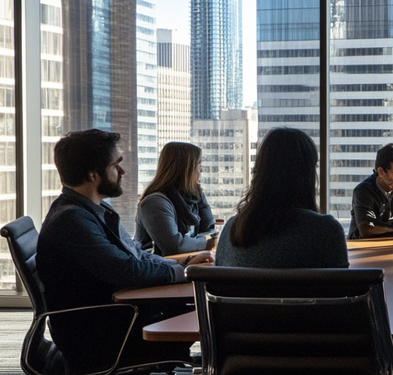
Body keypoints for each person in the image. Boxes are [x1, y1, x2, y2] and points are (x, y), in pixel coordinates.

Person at [37, 129, 213, 374]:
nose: (122, 171)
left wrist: (184, 266)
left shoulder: (93, 211)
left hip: (117, 316)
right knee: (207, 314)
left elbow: (136, 254)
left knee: (199, 309)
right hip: (103, 333)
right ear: (93, 174)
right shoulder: (72, 221)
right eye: (116, 165)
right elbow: (127, 270)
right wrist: (182, 272)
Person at [216, 127, 348, 269]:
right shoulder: (326, 231)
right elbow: (342, 288)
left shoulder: (232, 230)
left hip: (242, 292)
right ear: (307, 175)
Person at [134, 142, 216, 256]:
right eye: (199, 164)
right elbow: (174, 246)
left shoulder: (196, 195)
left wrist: (204, 242)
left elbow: (210, 231)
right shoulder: (154, 202)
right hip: (159, 268)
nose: (201, 170)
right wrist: (206, 243)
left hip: (188, 262)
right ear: (185, 169)